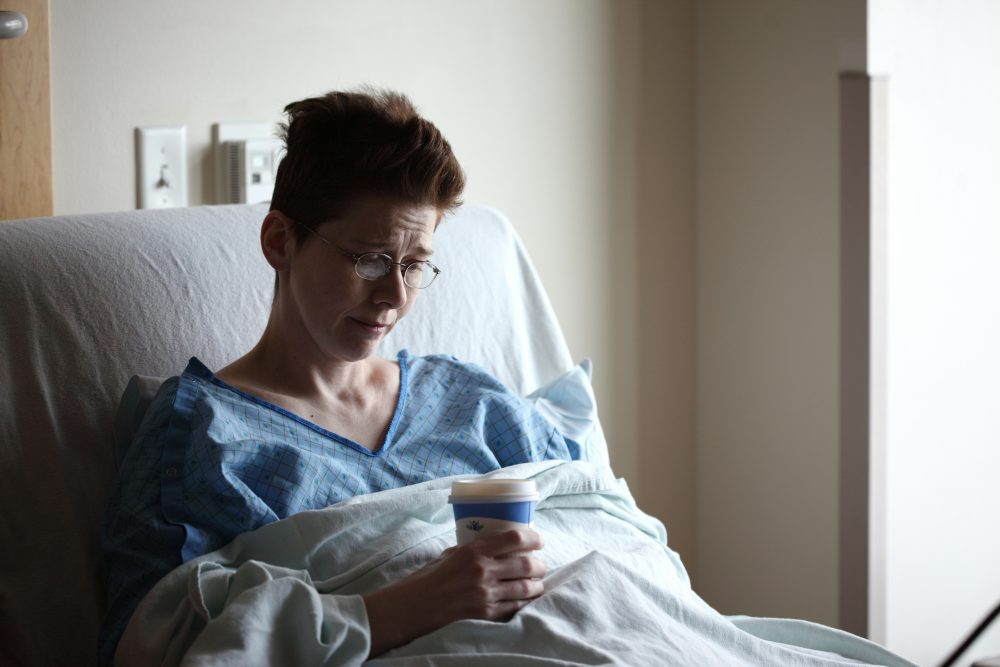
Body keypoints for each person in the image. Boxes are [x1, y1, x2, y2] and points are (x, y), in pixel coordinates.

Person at [98, 88, 586, 665]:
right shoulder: (203, 436)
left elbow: (601, 527)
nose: (394, 296)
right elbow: (151, 643)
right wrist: (404, 608)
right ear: (280, 242)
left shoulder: (470, 401)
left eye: (414, 264)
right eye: (370, 259)